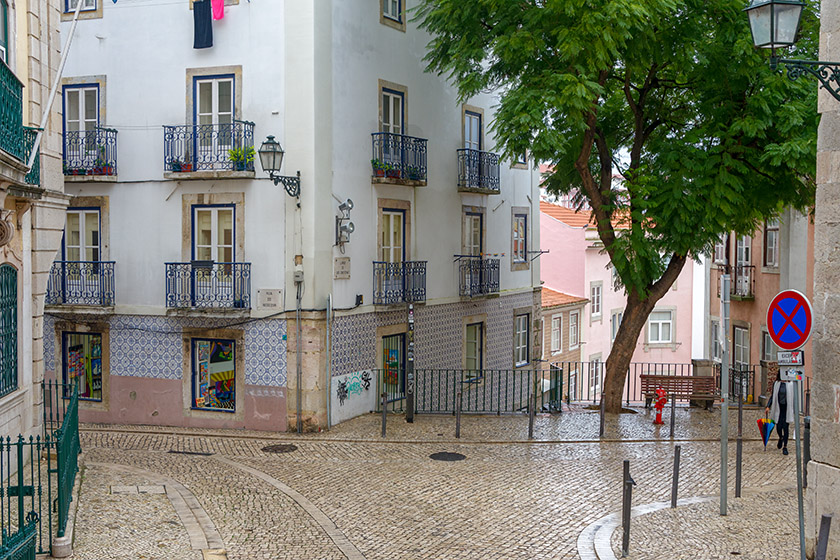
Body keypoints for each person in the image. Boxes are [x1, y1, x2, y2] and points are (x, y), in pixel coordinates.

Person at [765, 374, 795, 455]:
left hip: (787, 409)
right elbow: (772, 396)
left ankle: (785, 446)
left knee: (785, 427)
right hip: (778, 408)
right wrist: (768, 406)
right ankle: (780, 437)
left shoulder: (790, 384)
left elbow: (793, 397)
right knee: (778, 427)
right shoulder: (777, 384)